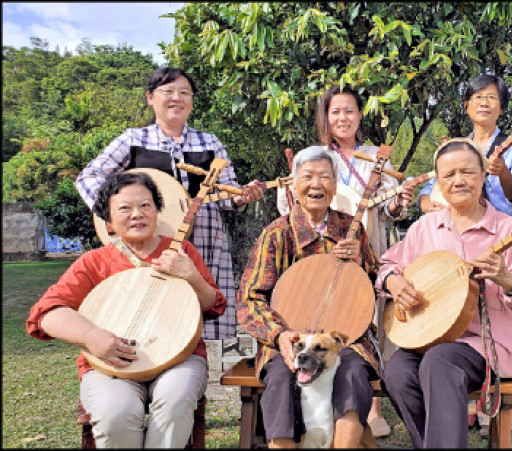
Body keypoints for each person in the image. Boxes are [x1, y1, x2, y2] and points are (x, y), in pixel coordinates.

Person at [26, 171, 226, 448]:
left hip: (180, 360)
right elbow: (45, 314)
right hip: (111, 366)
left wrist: (191, 275)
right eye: (125, 208)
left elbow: (214, 307)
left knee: (175, 401)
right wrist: (92, 337)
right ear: (107, 219)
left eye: (146, 205)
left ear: (157, 211)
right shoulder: (93, 262)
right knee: (115, 414)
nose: (137, 214)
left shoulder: (182, 251)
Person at [375, 139, 512, 448]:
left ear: (483, 176)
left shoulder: (507, 230)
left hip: (487, 344)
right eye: (449, 175)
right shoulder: (425, 228)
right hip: (429, 337)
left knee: (440, 362)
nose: (458, 181)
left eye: (467, 172)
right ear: (439, 183)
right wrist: (393, 282)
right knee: (397, 373)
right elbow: (388, 265)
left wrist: (508, 280)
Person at [76, 67, 264, 342]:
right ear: (150, 97)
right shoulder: (133, 140)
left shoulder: (210, 142)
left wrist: (242, 196)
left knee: (202, 312)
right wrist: (109, 215)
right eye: (168, 91)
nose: (177, 98)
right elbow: (90, 177)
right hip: (149, 245)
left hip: (204, 243)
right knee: (150, 314)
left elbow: (229, 196)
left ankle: (196, 366)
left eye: (184, 93)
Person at [276, 85, 414, 437]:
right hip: (319, 250)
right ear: (326, 117)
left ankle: (371, 410)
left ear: (359, 114)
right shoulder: (316, 156)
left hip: (365, 241)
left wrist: (400, 201)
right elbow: (292, 205)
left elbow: (389, 208)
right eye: (335, 111)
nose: (343, 117)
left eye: (349, 110)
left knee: (369, 316)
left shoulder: (374, 154)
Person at [237, 147, 381, 448]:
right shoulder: (277, 234)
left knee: (352, 371)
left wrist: (361, 263)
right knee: (279, 374)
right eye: (308, 177)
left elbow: (374, 285)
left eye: (325, 177)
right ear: (293, 183)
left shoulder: (350, 229)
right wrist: (279, 336)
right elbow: (250, 299)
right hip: (289, 340)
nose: (317, 185)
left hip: (346, 338)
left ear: (335, 184)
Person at [417, 73, 512, 220]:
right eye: (478, 97)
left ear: (502, 108)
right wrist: (425, 203)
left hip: (502, 232)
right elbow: (431, 185)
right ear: (466, 106)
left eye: (492, 97)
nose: (484, 103)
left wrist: (503, 173)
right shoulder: (457, 148)